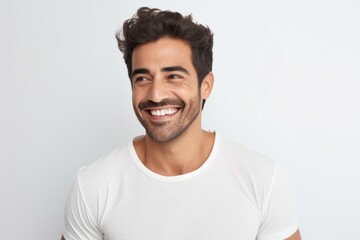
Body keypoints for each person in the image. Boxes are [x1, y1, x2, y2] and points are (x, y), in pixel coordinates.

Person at [61, 7, 301, 240]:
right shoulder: (93, 186)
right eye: (143, 78)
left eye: (173, 76)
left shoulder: (263, 179)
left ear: (205, 85)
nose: (155, 94)